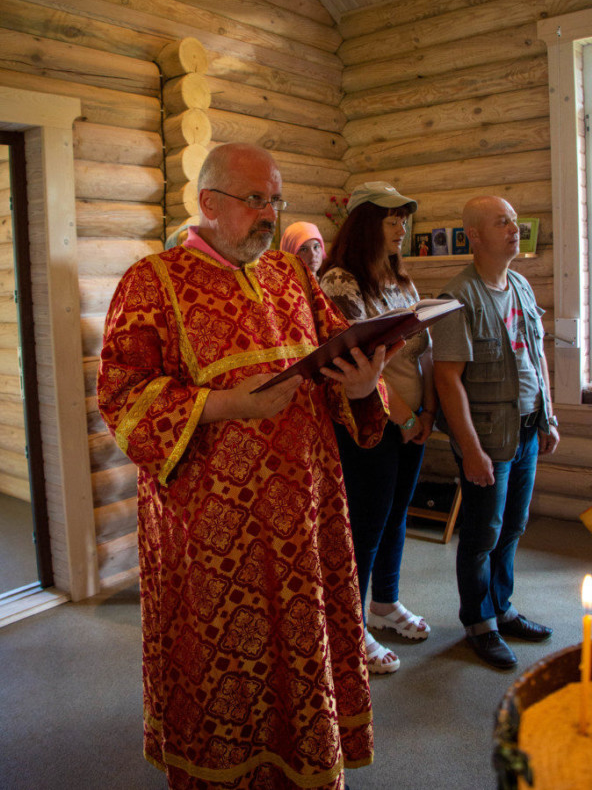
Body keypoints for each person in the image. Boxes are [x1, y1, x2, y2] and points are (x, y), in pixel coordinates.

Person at [97, 143, 402, 790]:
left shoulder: (291, 276)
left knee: (302, 646)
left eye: (276, 201)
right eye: (255, 199)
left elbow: (333, 355)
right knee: (227, 661)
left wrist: (359, 386)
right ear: (208, 202)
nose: (269, 214)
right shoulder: (151, 282)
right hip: (212, 536)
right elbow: (122, 396)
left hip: (308, 514)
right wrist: (229, 404)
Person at [430, 196, 560, 670]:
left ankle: (502, 608)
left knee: (512, 527)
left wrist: (548, 417)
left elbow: (536, 356)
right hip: (487, 438)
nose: (514, 229)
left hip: (525, 429)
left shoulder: (521, 285)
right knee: (482, 532)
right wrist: (470, 449)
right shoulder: (456, 298)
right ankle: (479, 623)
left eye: (514, 221)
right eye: (502, 222)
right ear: (475, 236)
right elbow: (447, 379)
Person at [320, 181, 436, 675]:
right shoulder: (339, 283)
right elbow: (359, 365)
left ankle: (384, 604)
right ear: (366, 224)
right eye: (392, 220)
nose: (401, 229)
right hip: (370, 422)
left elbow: (420, 351)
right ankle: (350, 626)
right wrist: (406, 417)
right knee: (365, 525)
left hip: (410, 420)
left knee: (396, 515)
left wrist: (426, 412)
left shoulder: (399, 279)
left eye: (403, 220)